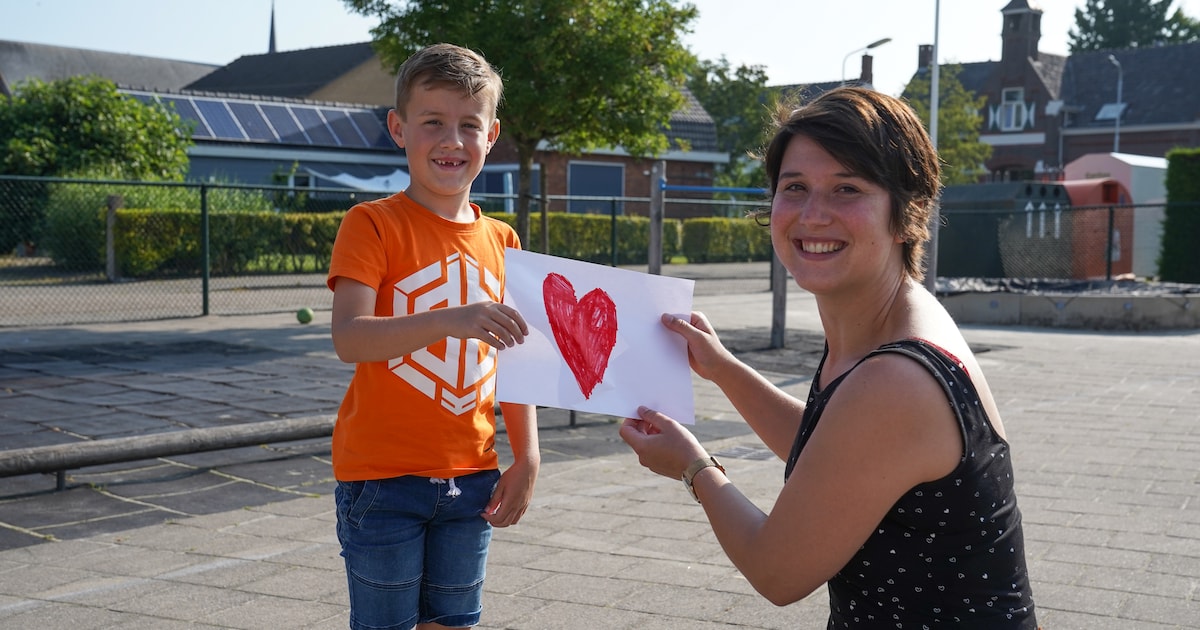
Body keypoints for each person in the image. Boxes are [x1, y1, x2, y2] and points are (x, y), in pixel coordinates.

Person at [620, 86, 1038, 628]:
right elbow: (835, 452)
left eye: (847, 188)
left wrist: (694, 467)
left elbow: (778, 573)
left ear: (907, 212)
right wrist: (722, 368)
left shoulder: (894, 379)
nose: (814, 214)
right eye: (794, 188)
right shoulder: (893, 322)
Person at [326, 43, 539, 630]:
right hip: (380, 478)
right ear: (398, 128)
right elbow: (350, 338)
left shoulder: (505, 240)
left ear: (492, 135)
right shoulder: (371, 224)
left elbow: (519, 363)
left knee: (455, 623)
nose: (452, 141)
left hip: (472, 474)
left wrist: (528, 454)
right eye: (432, 123)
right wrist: (452, 318)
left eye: (469, 125)